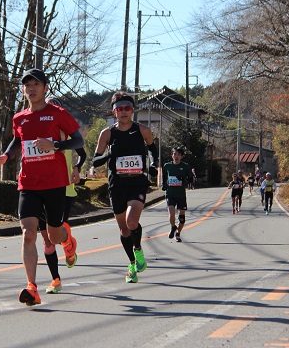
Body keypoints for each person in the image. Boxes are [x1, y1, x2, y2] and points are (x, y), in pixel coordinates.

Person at [0, 68, 83, 306]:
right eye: (27, 85)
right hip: (29, 184)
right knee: (28, 233)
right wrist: (6, 156)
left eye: (36, 85)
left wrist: (54, 144)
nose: (31, 89)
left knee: (53, 236)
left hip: (54, 184)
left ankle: (67, 240)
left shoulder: (57, 113)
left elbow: (78, 140)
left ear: (45, 88)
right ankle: (32, 287)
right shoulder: (19, 118)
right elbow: (17, 141)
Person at [92, 91, 158, 283]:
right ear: (114, 112)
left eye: (127, 108)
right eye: (119, 109)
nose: (123, 112)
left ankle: (138, 249)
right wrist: (109, 155)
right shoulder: (107, 133)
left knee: (131, 221)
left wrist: (153, 165)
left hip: (137, 182)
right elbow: (96, 161)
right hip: (117, 185)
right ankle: (132, 265)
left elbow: (153, 150)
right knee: (124, 230)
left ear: (132, 110)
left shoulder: (143, 130)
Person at [39, 96, 87, 294]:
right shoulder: (38, 131)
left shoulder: (66, 131)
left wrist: (76, 168)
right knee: (47, 240)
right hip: (40, 188)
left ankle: (68, 243)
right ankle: (55, 279)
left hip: (64, 188)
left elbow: (82, 153)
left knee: (56, 233)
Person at [162, 147, 190, 242]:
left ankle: (178, 233)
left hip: (181, 195)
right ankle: (173, 227)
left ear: (181, 156)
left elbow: (190, 178)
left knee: (181, 218)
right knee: (171, 214)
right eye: (174, 154)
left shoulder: (185, 166)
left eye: (178, 154)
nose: (176, 156)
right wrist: (164, 185)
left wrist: (183, 178)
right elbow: (164, 176)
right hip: (170, 193)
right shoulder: (167, 166)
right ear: (172, 155)